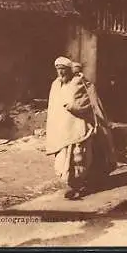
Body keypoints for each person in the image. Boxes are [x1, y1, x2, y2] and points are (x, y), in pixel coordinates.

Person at [45, 57, 97, 199]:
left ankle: (79, 187)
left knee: (78, 158)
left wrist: (72, 105)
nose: (61, 73)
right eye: (58, 70)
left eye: (63, 70)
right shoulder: (55, 85)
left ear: (69, 70)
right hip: (62, 130)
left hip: (78, 127)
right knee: (63, 160)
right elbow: (54, 106)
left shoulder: (79, 82)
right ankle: (71, 186)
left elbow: (85, 103)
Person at [71, 61, 117, 186]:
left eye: (78, 72)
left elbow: (94, 105)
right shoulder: (70, 86)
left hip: (93, 123)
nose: (77, 75)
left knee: (96, 150)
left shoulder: (88, 85)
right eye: (74, 73)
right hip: (78, 125)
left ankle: (95, 178)